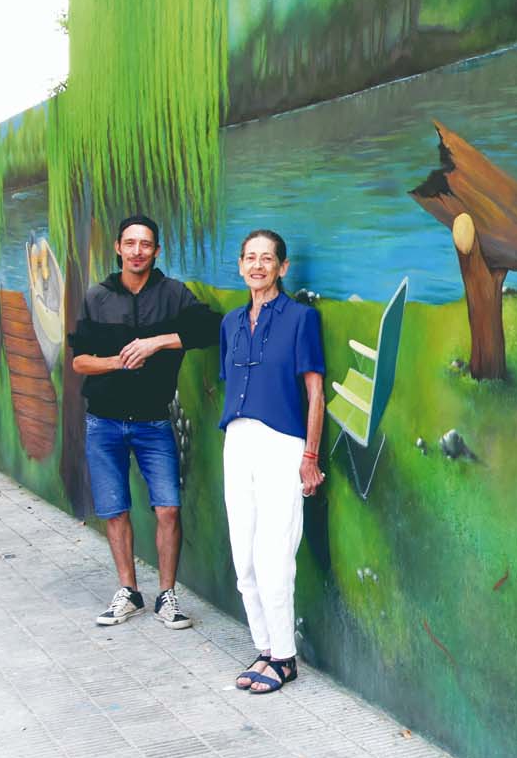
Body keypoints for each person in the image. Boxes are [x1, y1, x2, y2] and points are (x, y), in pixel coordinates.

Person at [68, 214, 220, 629]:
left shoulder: (173, 295)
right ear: (118, 248)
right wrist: (117, 362)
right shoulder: (97, 297)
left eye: (146, 244)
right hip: (104, 423)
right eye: (130, 244)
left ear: (156, 251)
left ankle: (167, 596)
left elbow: (211, 328)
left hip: (154, 423)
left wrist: (157, 342)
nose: (138, 251)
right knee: (115, 510)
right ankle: (129, 592)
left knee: (168, 508)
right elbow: (79, 360)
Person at [218, 229, 325, 694]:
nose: (258, 266)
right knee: (243, 557)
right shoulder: (230, 323)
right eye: (250, 258)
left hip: (282, 443)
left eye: (267, 259)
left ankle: (285, 657)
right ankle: (264, 649)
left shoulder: (301, 318)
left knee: (273, 556)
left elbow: (315, 393)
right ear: (241, 265)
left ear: (283, 268)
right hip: (237, 441)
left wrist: (309, 456)